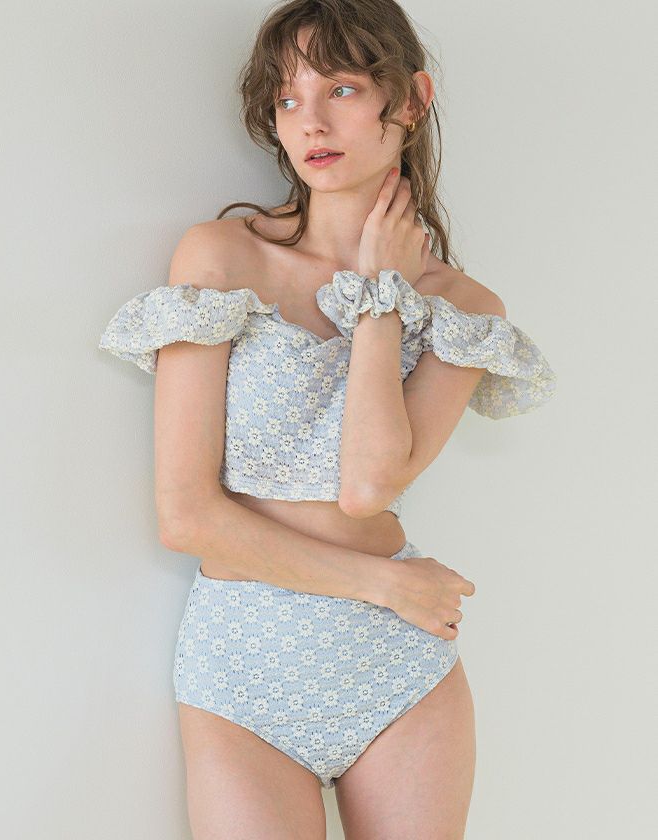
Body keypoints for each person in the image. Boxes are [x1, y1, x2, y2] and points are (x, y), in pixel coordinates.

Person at [98, 1, 556, 837]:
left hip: (399, 673)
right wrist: (386, 584)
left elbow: (367, 487)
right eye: (286, 98)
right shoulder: (223, 258)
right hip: (247, 665)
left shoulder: (462, 310)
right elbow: (186, 516)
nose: (308, 120)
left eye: (340, 88)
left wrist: (381, 301)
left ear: (409, 99)